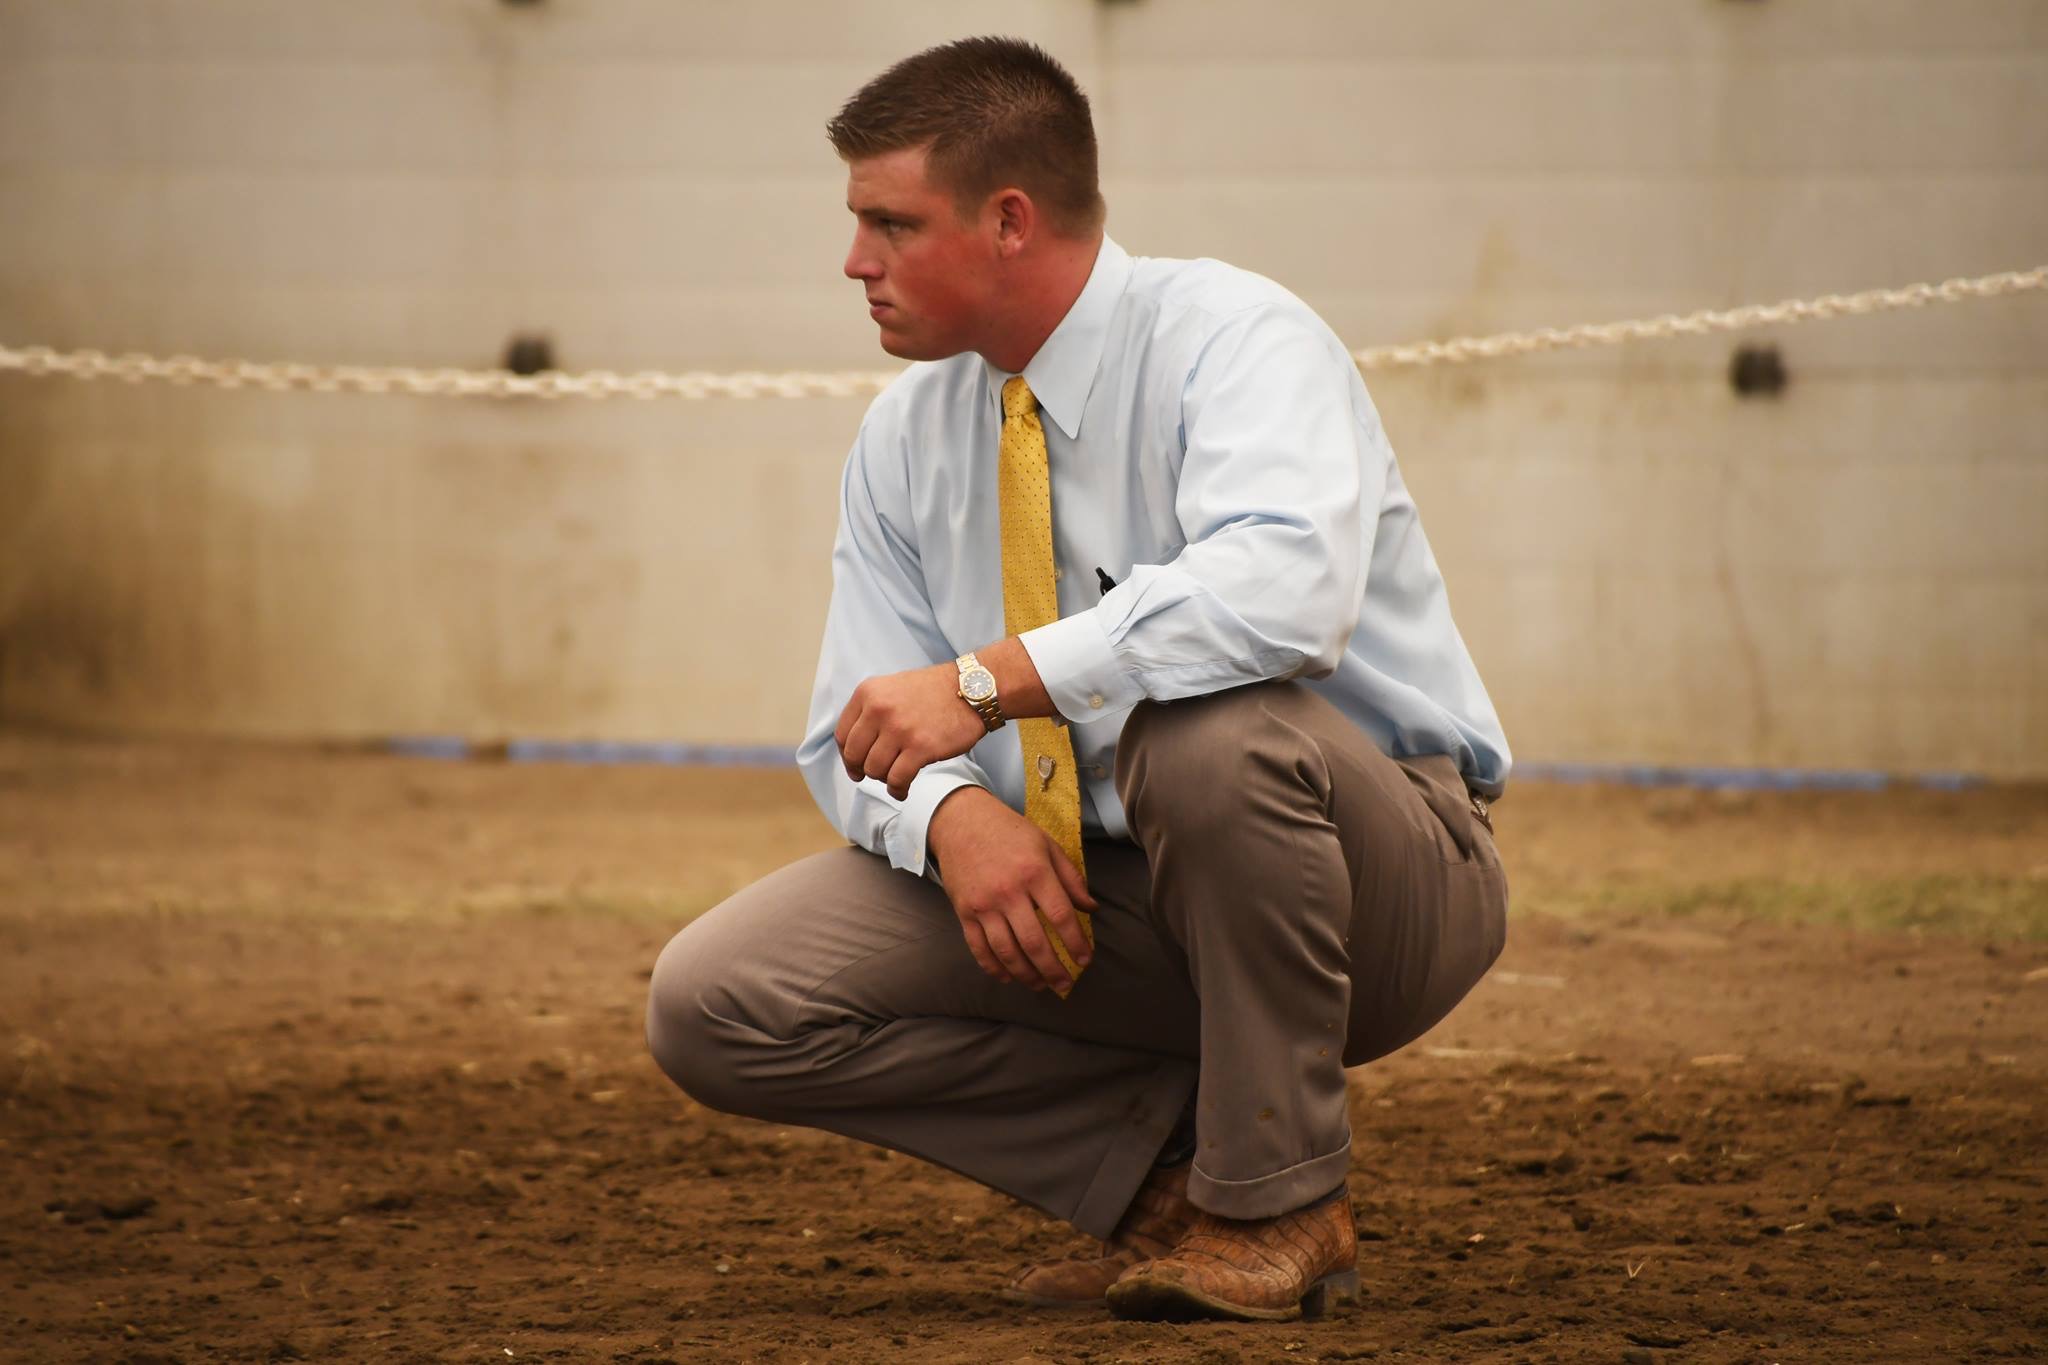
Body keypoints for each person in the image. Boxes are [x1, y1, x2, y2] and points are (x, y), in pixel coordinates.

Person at [646, 36, 1511, 1323]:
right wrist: (956, 821)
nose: (853, 263)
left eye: (890, 223)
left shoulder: (1237, 337)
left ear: (1008, 220)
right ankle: (1178, 1189)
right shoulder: (903, 437)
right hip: (1101, 892)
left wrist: (992, 684)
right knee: (718, 1000)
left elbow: (1284, 595)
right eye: (854, 224)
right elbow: (859, 732)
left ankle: (1277, 1203)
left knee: (1202, 735)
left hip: (1374, 890)